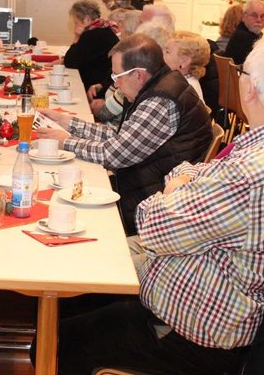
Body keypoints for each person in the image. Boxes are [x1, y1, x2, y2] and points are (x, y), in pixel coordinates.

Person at [50, 34, 264, 375]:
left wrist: (175, 189)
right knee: (82, 301)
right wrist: (182, 184)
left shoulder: (253, 170)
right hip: (254, 321)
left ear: (250, 88)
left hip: (206, 329)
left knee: (54, 347)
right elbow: (195, 173)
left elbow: (153, 225)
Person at [37, 34, 212, 235]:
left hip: (148, 206)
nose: (116, 85)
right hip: (142, 185)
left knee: (59, 205)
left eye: (117, 76)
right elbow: (121, 137)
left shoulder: (160, 101)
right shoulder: (158, 85)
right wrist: (68, 123)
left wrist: (66, 142)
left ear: (138, 75)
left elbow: (113, 155)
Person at [62, 0, 120, 92]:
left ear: (87, 20)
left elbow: (69, 62)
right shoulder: (105, 29)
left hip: (94, 88)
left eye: (76, 23)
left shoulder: (90, 35)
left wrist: (76, 37)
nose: (75, 26)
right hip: (105, 84)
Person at [163, 30, 210, 102]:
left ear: (184, 62)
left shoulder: (180, 90)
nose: (162, 53)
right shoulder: (184, 82)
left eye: (167, 51)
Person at [224, 0, 264, 65]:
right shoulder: (244, 38)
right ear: (244, 17)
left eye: (263, 16)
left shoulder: (242, 32)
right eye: (254, 15)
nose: (259, 20)